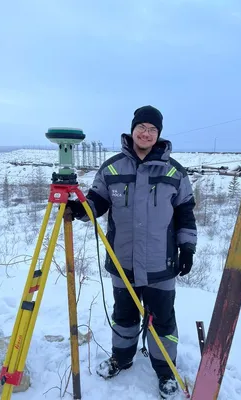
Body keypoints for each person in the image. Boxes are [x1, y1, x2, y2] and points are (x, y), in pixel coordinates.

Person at [66, 105, 197, 399]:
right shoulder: (112, 168)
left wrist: (187, 248)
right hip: (122, 261)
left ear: (159, 134)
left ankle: (165, 372)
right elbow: (96, 203)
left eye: (153, 129)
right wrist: (80, 210)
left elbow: (186, 213)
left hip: (160, 265)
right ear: (132, 129)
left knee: (162, 321)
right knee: (123, 316)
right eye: (142, 127)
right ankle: (122, 359)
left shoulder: (174, 172)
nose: (146, 133)